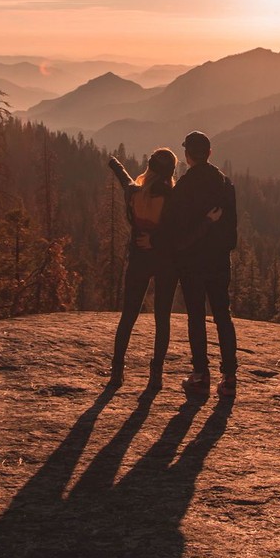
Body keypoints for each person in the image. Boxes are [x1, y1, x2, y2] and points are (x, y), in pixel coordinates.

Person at [156, 131, 238, 403]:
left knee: (196, 318)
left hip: (192, 265)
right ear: (210, 153)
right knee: (222, 316)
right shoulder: (225, 184)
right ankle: (229, 379)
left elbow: (174, 234)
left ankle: (201, 376)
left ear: (187, 156)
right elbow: (232, 234)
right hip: (218, 264)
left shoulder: (183, 188)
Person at [106, 149, 179, 390]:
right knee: (162, 319)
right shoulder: (173, 197)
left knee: (128, 316)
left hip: (139, 259)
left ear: (150, 169)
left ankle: (117, 370)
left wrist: (116, 165)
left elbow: (125, 179)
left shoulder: (134, 193)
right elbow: (177, 231)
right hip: (166, 262)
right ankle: (156, 373)